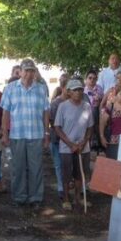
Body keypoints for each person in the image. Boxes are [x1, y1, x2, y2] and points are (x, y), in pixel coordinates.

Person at [1, 59, 50, 209]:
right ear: (20, 71)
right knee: (18, 168)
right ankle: (19, 197)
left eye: (31, 71)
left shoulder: (41, 89)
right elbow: (5, 113)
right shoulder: (10, 88)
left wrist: (47, 133)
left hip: (36, 134)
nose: (28, 74)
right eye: (26, 70)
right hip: (17, 135)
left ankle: (36, 197)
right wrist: (4, 133)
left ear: (35, 72)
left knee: (36, 168)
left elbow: (46, 112)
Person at [53, 79, 94, 211]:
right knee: (66, 173)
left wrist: (84, 142)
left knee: (80, 173)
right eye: (75, 90)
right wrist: (70, 144)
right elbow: (57, 127)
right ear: (69, 92)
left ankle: (78, 197)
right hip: (66, 147)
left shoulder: (87, 106)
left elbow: (90, 127)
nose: (78, 92)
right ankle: (65, 198)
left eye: (80, 89)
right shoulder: (62, 106)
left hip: (83, 147)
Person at [48, 85, 68, 200]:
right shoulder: (56, 103)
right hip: (57, 138)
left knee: (68, 165)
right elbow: (53, 121)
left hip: (71, 139)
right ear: (63, 88)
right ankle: (61, 187)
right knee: (58, 164)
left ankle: (68, 185)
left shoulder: (76, 101)